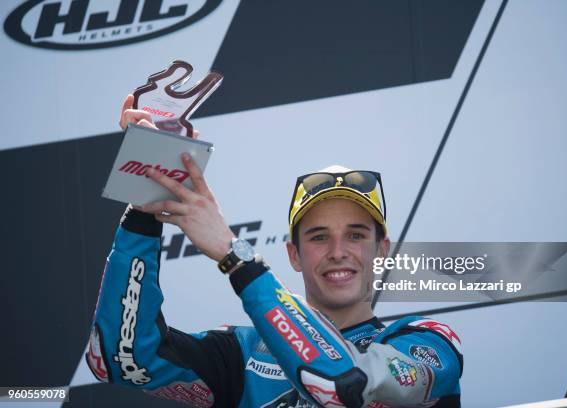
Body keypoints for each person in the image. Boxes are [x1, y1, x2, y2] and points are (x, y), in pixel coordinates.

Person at [85, 96, 463, 407]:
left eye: (355, 235)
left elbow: (342, 384)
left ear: (381, 250)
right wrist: (145, 205)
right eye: (317, 237)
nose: (337, 251)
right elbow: (121, 359)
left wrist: (236, 258)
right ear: (294, 255)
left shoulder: (428, 342)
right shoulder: (245, 351)